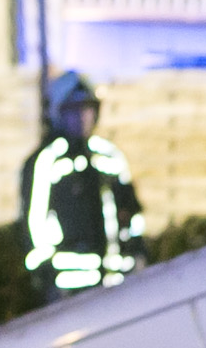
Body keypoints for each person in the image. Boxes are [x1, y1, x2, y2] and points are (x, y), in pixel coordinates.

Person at [21, 71, 147, 303]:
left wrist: (137, 253)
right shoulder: (48, 160)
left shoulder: (109, 156)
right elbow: (34, 222)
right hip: (68, 285)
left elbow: (131, 211)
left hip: (116, 280)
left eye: (87, 109)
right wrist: (47, 273)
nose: (81, 117)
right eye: (73, 110)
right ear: (59, 113)